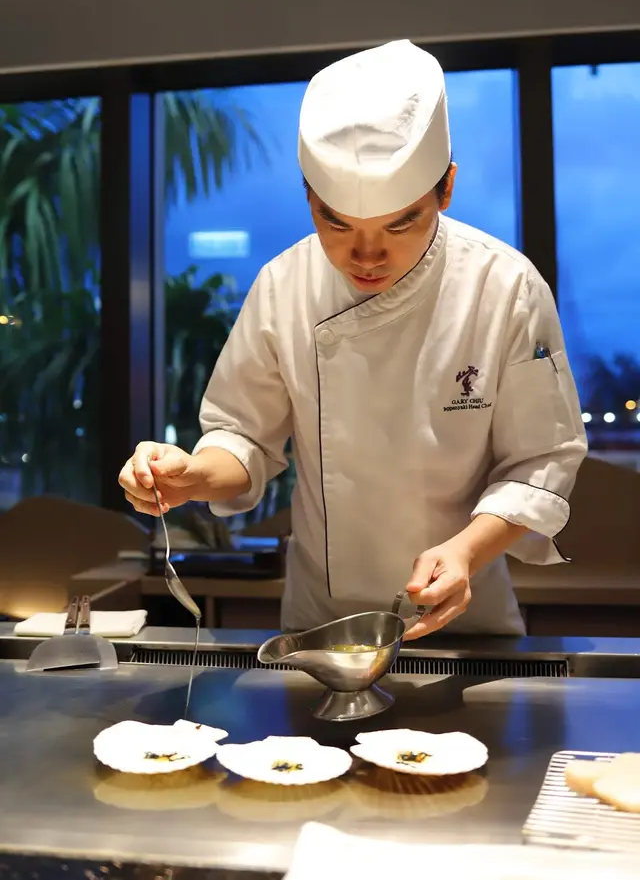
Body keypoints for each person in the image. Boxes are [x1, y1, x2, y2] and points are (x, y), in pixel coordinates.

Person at [119, 40, 587, 640]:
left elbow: (542, 459)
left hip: (463, 621)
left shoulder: (504, 286)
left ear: (446, 189)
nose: (367, 256)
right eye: (336, 223)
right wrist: (192, 476)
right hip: (324, 625)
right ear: (309, 197)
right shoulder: (284, 284)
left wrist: (467, 550)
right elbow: (244, 437)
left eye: (401, 224)